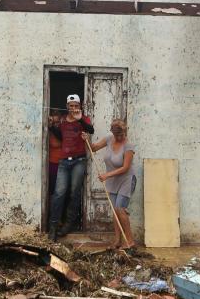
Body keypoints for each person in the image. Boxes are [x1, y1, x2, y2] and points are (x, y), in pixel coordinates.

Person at [84, 119, 136, 251]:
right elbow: (93, 148)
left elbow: (125, 168)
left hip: (126, 179)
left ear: (124, 132)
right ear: (112, 132)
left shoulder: (128, 145)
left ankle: (130, 241)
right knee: (114, 211)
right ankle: (117, 240)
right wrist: (86, 140)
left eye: (122, 135)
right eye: (117, 135)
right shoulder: (108, 138)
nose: (120, 137)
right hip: (113, 181)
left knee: (120, 209)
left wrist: (107, 175)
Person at [47, 94, 94, 241]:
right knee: (59, 193)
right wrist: (52, 127)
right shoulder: (62, 121)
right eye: (71, 106)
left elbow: (90, 130)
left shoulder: (83, 119)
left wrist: (80, 119)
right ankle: (53, 227)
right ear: (67, 106)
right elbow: (61, 137)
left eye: (76, 105)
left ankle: (68, 224)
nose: (73, 108)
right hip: (63, 162)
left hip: (78, 160)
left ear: (80, 106)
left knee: (74, 193)